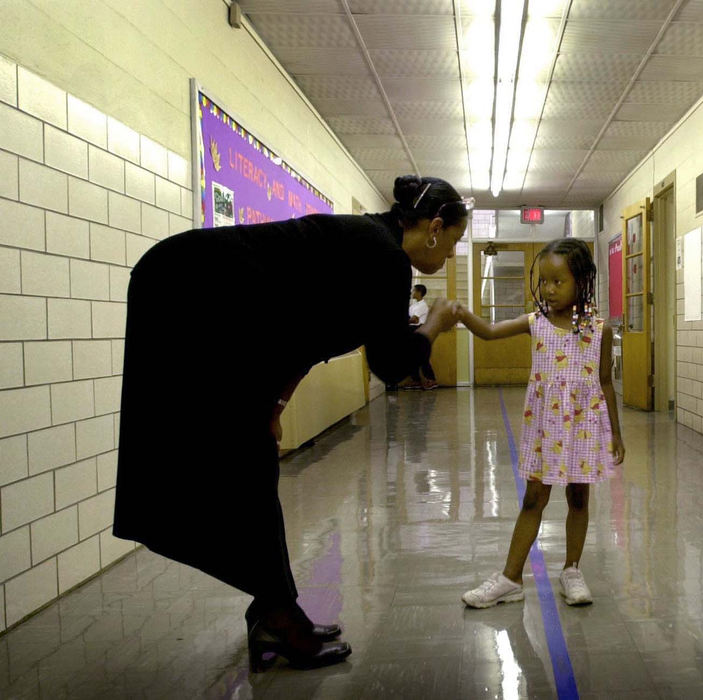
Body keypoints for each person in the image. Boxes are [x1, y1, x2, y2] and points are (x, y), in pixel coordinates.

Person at [112, 175, 470, 670]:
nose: (450, 255)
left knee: (254, 462)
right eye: (453, 242)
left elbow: (303, 334)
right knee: (247, 467)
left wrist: (274, 407)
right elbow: (392, 365)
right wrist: (435, 322)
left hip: (199, 297)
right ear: (434, 228)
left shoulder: (370, 245)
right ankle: (278, 618)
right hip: (186, 291)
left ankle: (272, 614)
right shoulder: (383, 256)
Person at [459, 239, 625, 608]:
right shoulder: (535, 323)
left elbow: (605, 382)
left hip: (583, 426)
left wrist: (614, 433)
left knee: (578, 497)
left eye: (558, 282)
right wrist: (460, 313)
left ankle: (572, 570)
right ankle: (510, 577)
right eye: (544, 281)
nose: (549, 290)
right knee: (535, 497)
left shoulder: (599, 330)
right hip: (546, 427)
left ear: (581, 281)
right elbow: (487, 332)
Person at [406, 284, 438, 389]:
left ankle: (431, 380)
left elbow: (415, 320)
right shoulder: (413, 306)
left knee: (422, 357)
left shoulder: (422, 306)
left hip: (419, 331)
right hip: (411, 331)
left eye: (414, 291)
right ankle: (416, 380)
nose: (412, 292)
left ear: (419, 292)